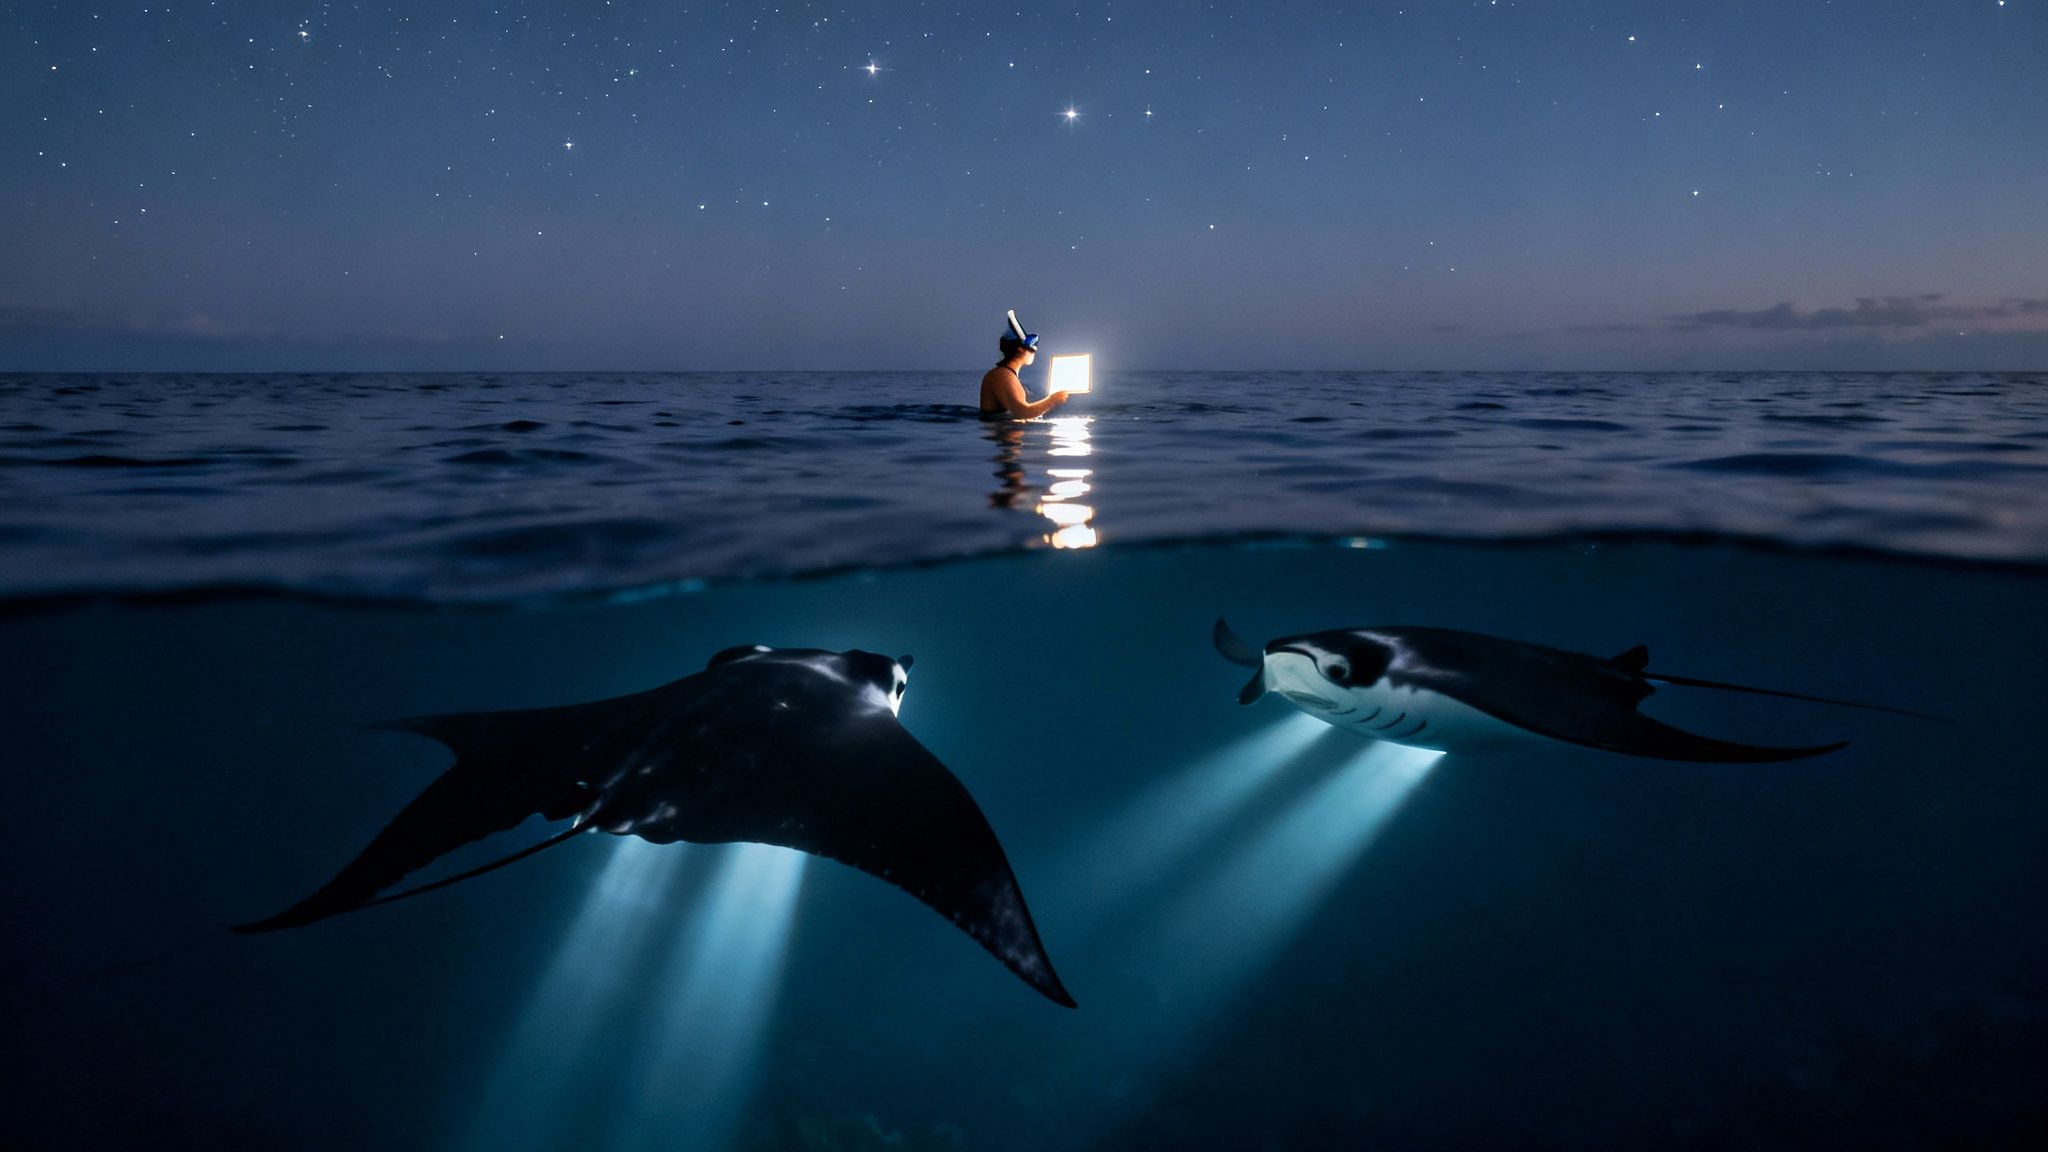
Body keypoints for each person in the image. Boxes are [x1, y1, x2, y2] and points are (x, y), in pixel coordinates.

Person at [979, 323, 1070, 419]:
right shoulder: (1002, 375)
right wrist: (1052, 400)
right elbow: (1022, 413)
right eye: (1032, 350)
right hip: (1003, 431)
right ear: (1020, 350)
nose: (1034, 354)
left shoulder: (1007, 375)